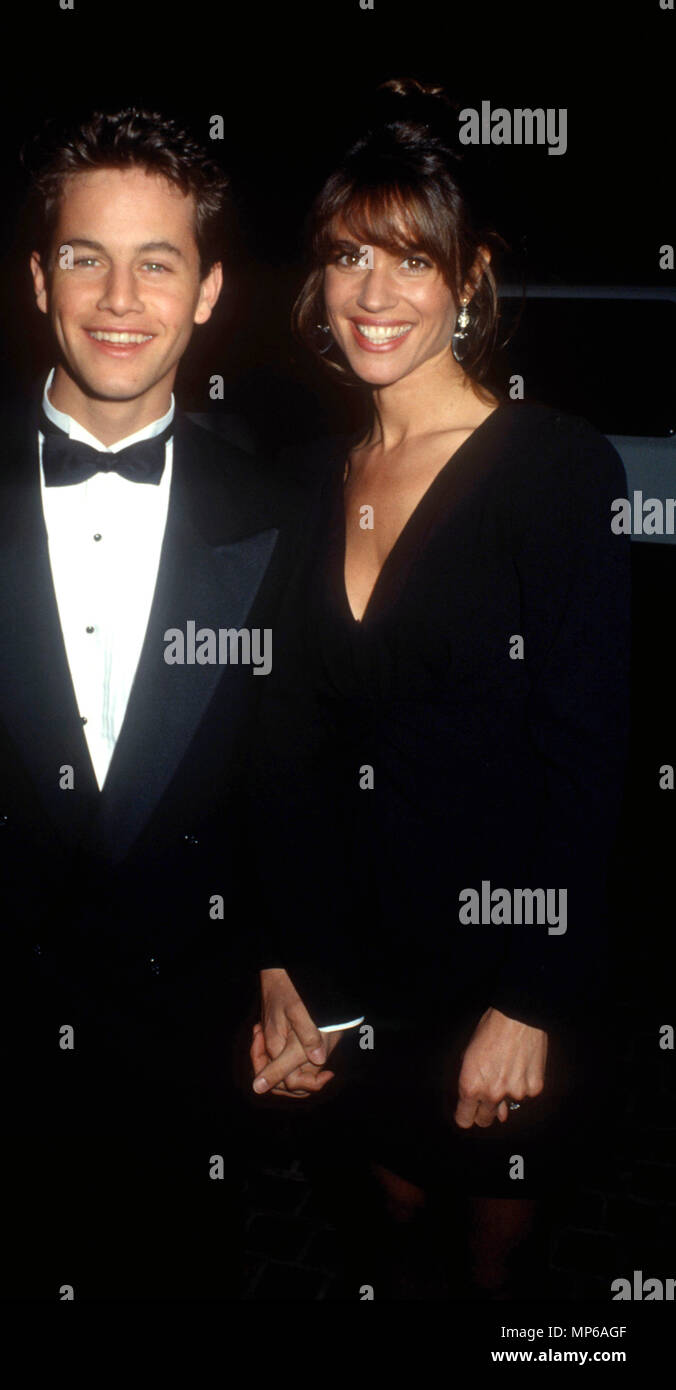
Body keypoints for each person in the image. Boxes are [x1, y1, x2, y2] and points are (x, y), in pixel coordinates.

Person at [0, 107, 308, 1300]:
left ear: (207, 294)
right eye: (86, 256)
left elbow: (291, 769)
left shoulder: (284, 514)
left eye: (159, 262)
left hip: (189, 1043)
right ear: (41, 279)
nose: (118, 297)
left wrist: (292, 964)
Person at [248, 79, 631, 1299]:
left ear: (467, 282)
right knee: (391, 1213)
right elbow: (283, 748)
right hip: (356, 957)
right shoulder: (306, 478)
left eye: (411, 260)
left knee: (493, 1247)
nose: (373, 293)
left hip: (508, 963)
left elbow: (591, 752)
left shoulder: (555, 467)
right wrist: (280, 965)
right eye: (348, 255)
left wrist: (531, 997)